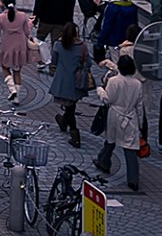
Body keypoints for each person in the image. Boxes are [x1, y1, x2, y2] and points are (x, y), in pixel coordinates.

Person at [93, 52, 148, 191]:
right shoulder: (137, 84)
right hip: (130, 115)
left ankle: (104, 161)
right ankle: (133, 179)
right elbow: (140, 106)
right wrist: (141, 124)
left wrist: (100, 90)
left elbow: (107, 99)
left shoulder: (114, 81)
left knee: (110, 141)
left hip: (115, 114)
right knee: (130, 147)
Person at [48, 23, 93, 146]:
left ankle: (71, 131)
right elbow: (88, 63)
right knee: (71, 107)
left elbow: (54, 62)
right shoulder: (82, 47)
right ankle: (67, 126)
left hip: (62, 81)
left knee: (70, 108)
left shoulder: (58, 45)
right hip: (77, 82)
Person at [0, 0, 35, 102]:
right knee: (17, 71)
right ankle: (16, 97)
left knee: (5, 67)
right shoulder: (22, 16)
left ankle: (12, 90)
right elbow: (27, 32)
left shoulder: (0, 18)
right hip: (20, 47)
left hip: (7, 46)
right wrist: (30, 23)